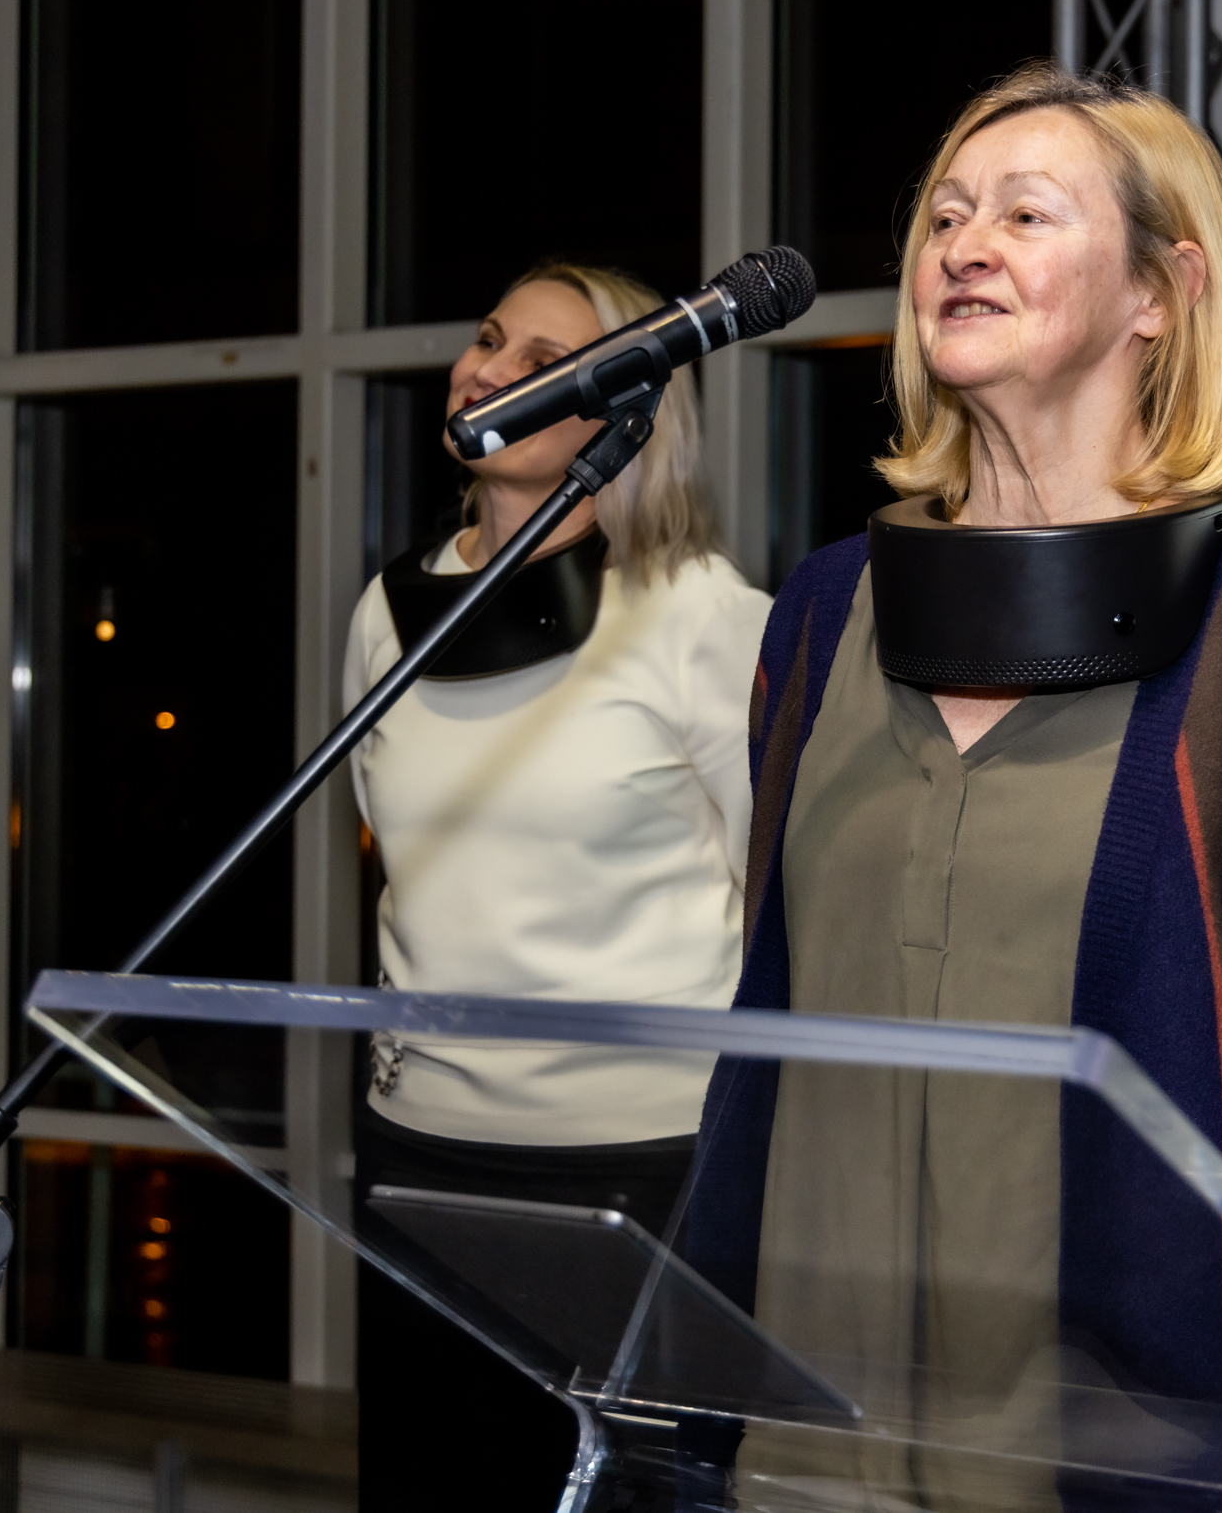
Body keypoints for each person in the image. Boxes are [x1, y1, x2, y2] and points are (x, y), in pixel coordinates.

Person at [686, 64, 1222, 1505]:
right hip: (810, 1440)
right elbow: (783, 984)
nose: (964, 246)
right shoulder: (820, 612)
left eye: (1024, 214)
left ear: (1160, 293)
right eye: (945, 217)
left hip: (1161, 1454)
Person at [344, 262, 772, 1510]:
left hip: (641, 1174)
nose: (488, 370)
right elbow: (401, 854)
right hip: (418, 1155)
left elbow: (774, 886)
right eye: (488, 339)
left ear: (624, 404)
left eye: (542, 362)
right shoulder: (385, 613)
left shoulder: (699, 613)